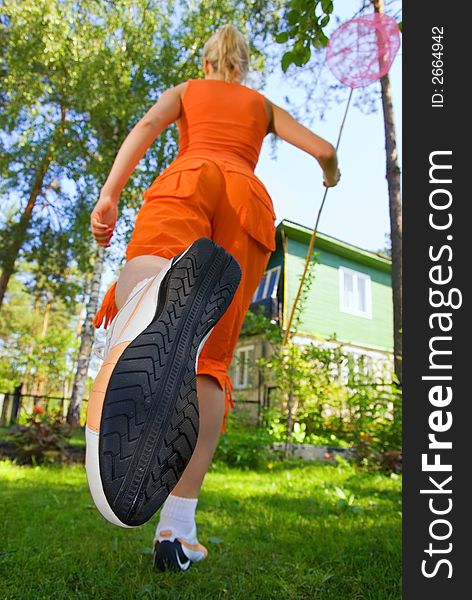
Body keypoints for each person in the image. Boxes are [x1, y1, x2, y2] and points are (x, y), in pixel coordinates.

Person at [87, 23, 340, 572]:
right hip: (246, 200)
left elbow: (148, 126)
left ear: (206, 62)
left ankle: (144, 307)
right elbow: (323, 148)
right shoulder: (263, 106)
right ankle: (177, 530)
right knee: (211, 364)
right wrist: (331, 172)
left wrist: (108, 197)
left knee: (153, 268)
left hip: (191, 174)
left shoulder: (186, 91)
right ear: (243, 64)